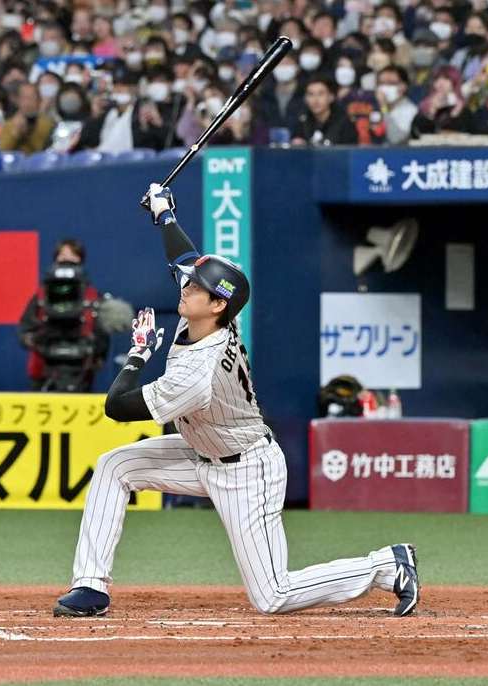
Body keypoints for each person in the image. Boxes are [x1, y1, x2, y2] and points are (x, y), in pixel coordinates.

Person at [52, 183, 420, 619]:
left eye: (195, 289)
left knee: (273, 596)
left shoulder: (197, 372)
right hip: (203, 451)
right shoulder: (209, 317)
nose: (184, 288)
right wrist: (164, 214)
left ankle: (386, 566)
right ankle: (91, 587)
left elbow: (117, 408)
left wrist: (137, 354)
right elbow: (184, 259)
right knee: (115, 467)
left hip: (245, 469)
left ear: (216, 305)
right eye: (189, 284)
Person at [17, 238, 109, 392]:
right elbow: (24, 329)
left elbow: (102, 336)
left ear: (81, 260)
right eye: (63, 255)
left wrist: (97, 356)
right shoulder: (41, 296)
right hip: (43, 371)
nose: (68, 260)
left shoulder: (93, 297)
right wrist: (32, 340)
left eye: (73, 256)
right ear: (55, 259)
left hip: (81, 373)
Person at [291, 74, 358, 146]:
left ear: (331, 97)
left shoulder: (345, 123)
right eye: (311, 94)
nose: (315, 100)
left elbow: (349, 153)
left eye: (321, 94)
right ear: (305, 98)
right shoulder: (302, 121)